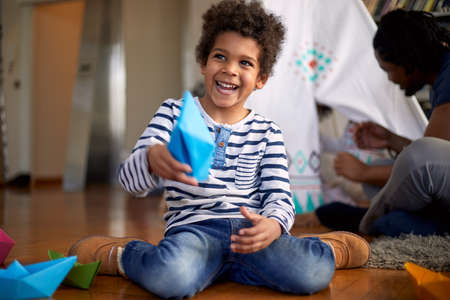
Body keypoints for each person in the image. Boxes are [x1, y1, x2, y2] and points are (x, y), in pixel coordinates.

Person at [67, 1, 369, 298]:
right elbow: (130, 183)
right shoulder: (173, 113)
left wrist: (274, 225)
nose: (230, 70)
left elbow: (279, 196)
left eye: (245, 63)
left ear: (261, 79)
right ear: (203, 62)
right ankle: (121, 255)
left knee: (311, 272)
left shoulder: (268, 132)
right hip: (193, 234)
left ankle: (328, 249)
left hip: (252, 235)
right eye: (220, 57)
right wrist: (149, 158)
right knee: (170, 277)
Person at [322, 9, 450, 237]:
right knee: (381, 179)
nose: (391, 79)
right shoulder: (441, 77)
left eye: (389, 69)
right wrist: (392, 140)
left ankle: (369, 221)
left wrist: (362, 172)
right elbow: (441, 159)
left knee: (409, 163)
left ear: (409, 59)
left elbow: (429, 161)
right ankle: (392, 221)